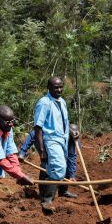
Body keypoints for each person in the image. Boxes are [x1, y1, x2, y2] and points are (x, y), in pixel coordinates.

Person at [33, 76, 70, 212]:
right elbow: (38, 128)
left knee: (52, 168)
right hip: (51, 139)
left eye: (61, 87)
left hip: (62, 139)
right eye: (56, 87)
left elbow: (64, 122)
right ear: (48, 87)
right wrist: (42, 150)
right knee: (58, 167)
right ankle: (47, 200)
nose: (59, 90)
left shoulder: (62, 102)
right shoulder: (44, 103)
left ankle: (43, 194)